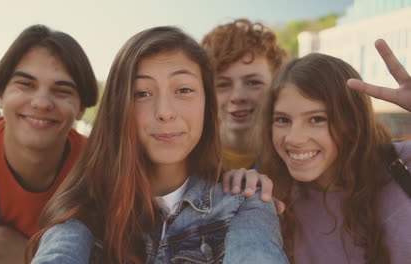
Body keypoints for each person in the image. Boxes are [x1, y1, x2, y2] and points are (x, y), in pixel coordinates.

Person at [28, 26, 288, 263]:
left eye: (184, 90)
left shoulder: (245, 202)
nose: (165, 112)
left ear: (207, 105)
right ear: (119, 109)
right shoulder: (83, 212)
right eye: (142, 93)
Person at [0, 24, 99, 264]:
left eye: (62, 90)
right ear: (1, 95)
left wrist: (28, 255)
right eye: (26, 84)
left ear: (81, 109)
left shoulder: (101, 168)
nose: (41, 102)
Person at [256, 39, 411, 263]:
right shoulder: (269, 195)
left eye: (317, 119)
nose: (294, 138)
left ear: (352, 122)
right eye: (282, 120)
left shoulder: (404, 165)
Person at [201, 18, 288, 171]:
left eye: (253, 82)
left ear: (277, 85)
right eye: (223, 85)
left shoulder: (297, 161)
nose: (237, 97)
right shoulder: (184, 163)